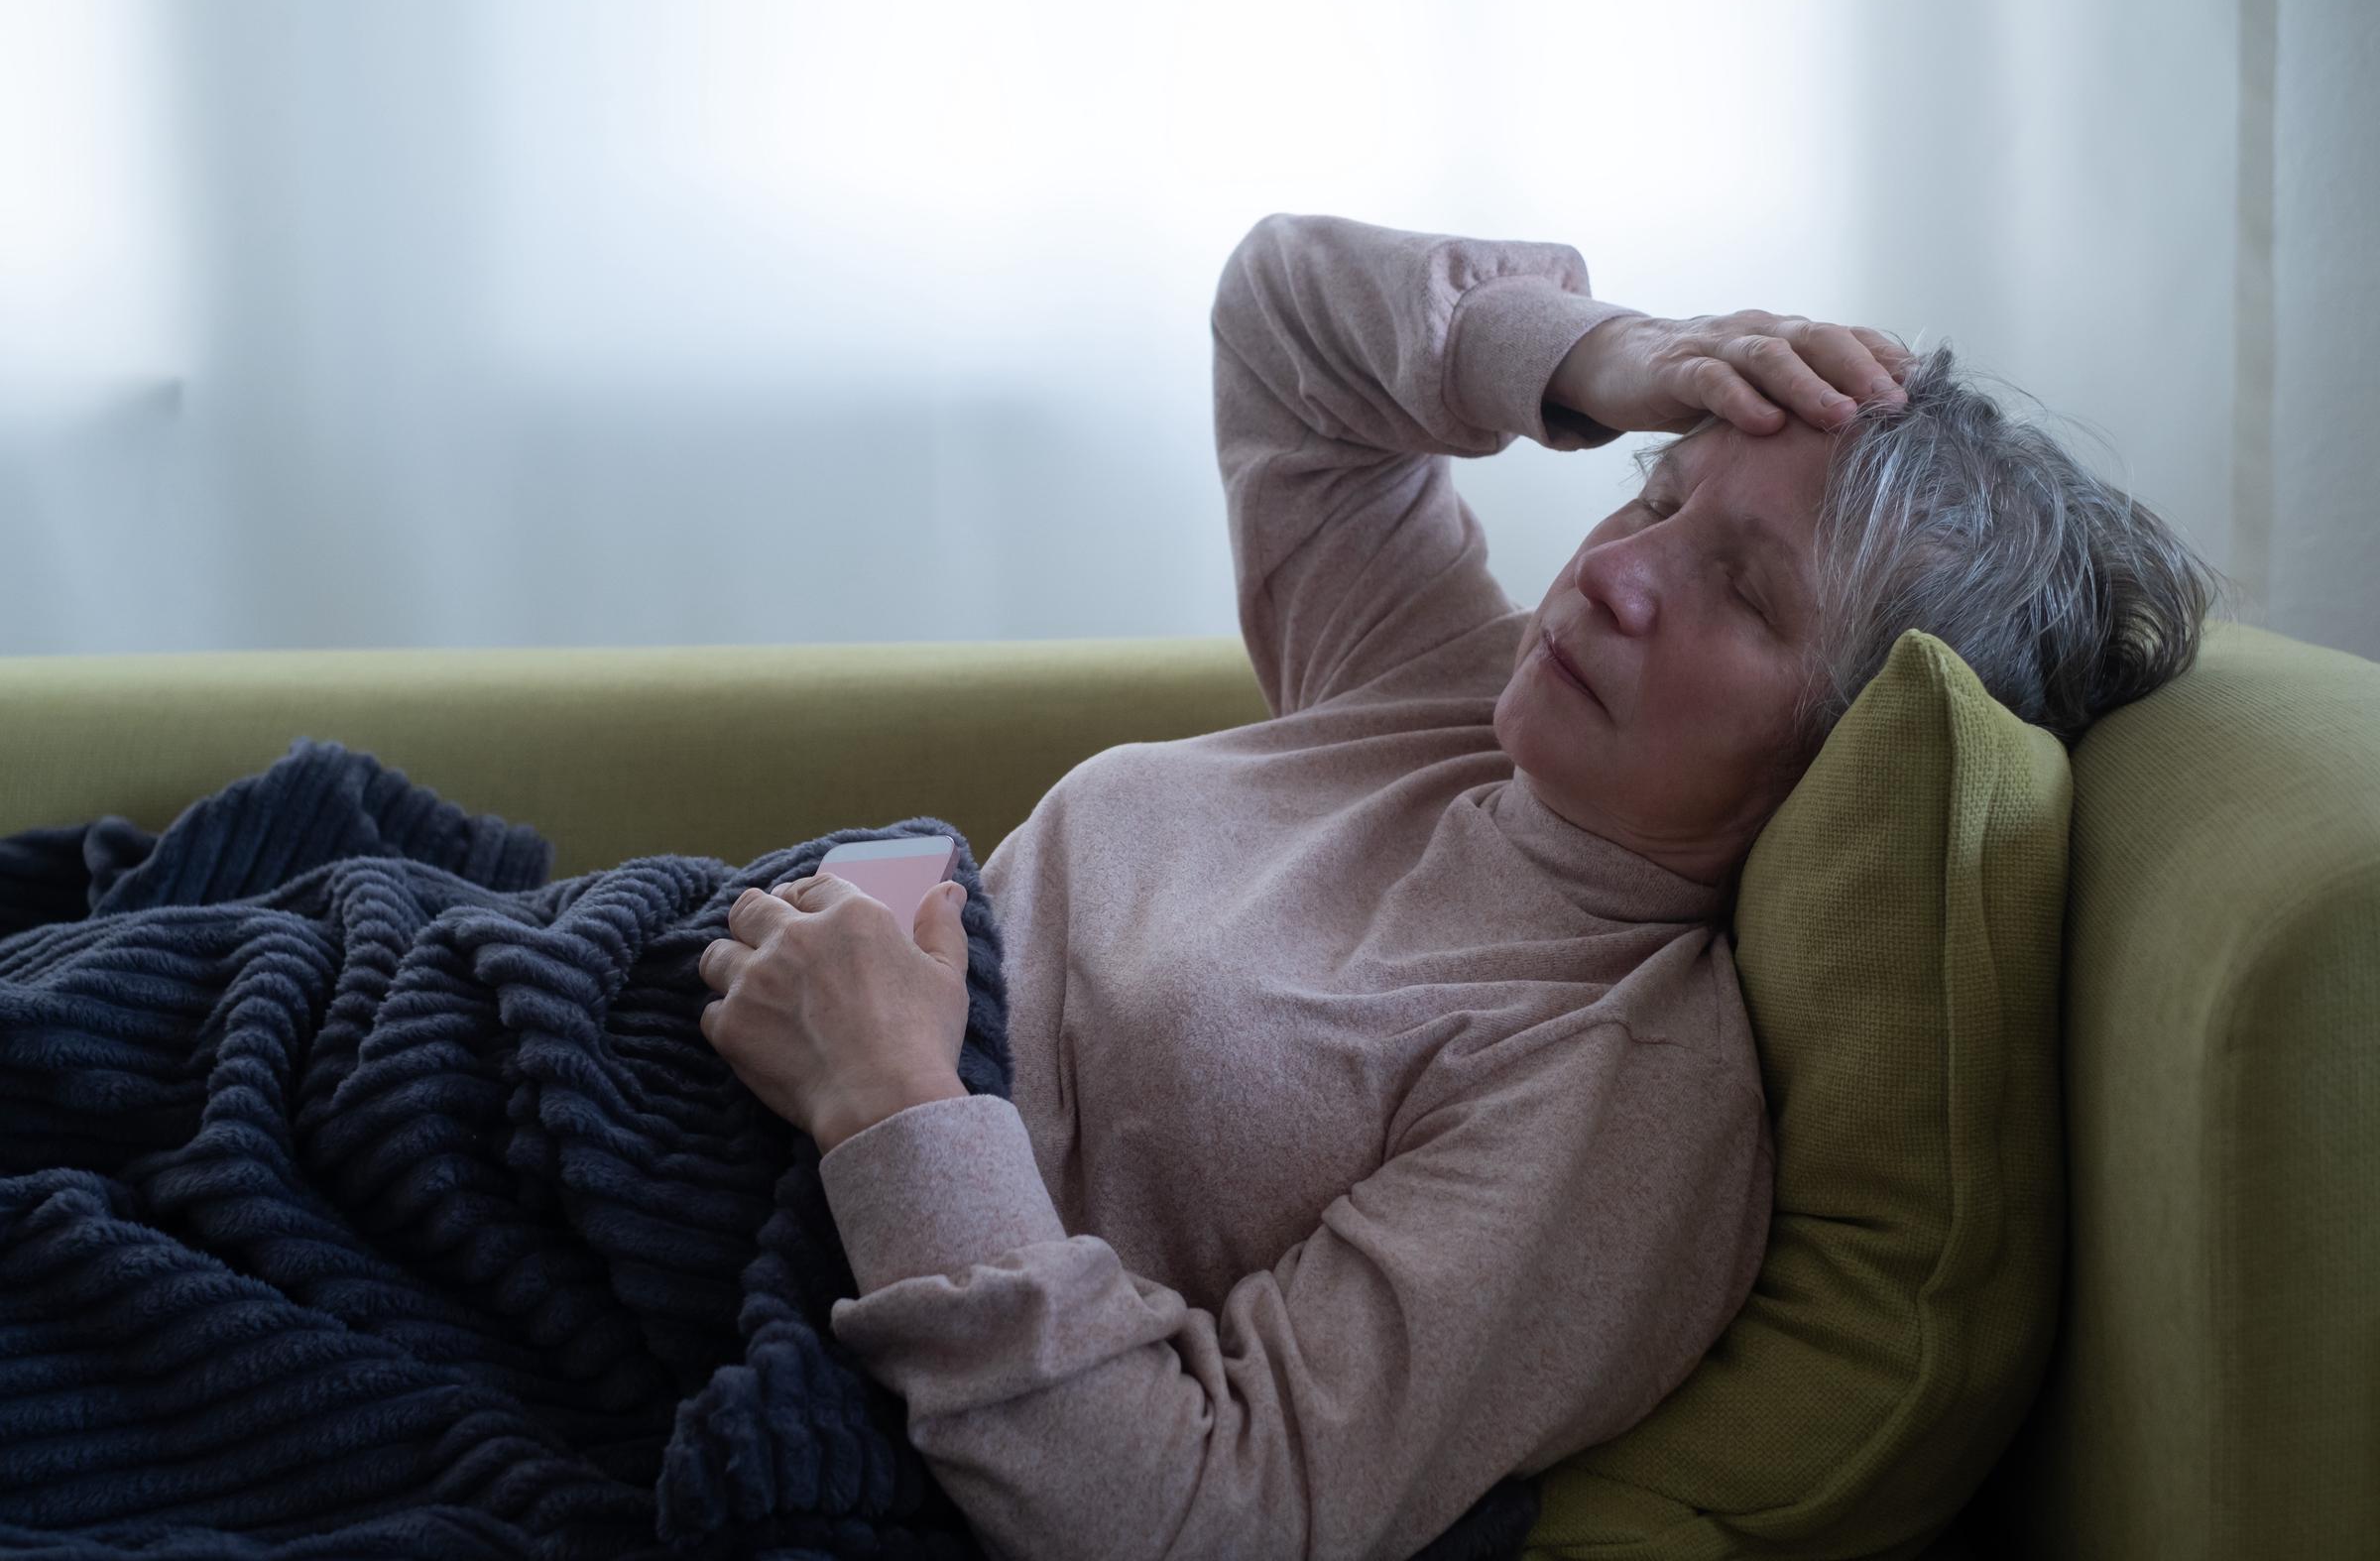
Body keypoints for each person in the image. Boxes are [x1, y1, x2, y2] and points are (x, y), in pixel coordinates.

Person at [796, 211, 2228, 1560]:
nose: (1615, 573)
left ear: (1847, 750)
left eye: (1743, 590)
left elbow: (1202, 1509)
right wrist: (1618, 357)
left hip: (760, 1249)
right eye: (1655, 494)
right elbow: (1279, 319)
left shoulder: (1619, 1093)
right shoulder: (1437, 692)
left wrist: (894, 1100)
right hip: (676, 1013)